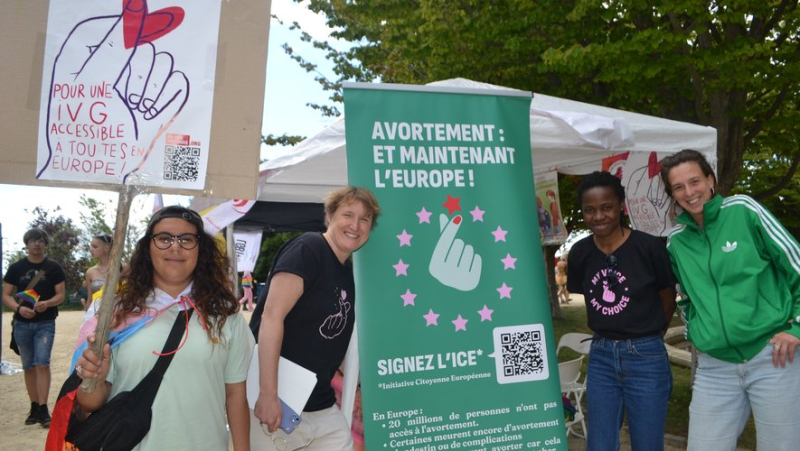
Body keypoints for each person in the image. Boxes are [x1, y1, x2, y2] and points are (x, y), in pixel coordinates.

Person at [72, 206, 254, 450]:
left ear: (202, 250)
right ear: (148, 247)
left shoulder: (225, 315)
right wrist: (96, 376)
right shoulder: (113, 313)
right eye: (164, 238)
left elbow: (236, 395)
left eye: (187, 239)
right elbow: (88, 402)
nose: (175, 247)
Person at [660, 149, 800, 450]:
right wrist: (695, 332)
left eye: (695, 181)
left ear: (711, 180)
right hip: (714, 367)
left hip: (772, 357)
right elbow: (686, 298)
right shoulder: (677, 241)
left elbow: (795, 265)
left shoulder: (744, 211)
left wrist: (797, 328)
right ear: (673, 194)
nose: (689, 192)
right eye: (678, 187)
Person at [252, 186, 380, 450]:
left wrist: (356, 391)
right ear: (330, 216)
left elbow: (333, 341)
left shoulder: (350, 272)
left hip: (319, 402)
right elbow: (270, 317)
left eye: (364, 218)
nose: (355, 225)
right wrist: (268, 393)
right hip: (278, 400)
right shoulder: (309, 248)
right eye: (348, 214)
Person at [566, 171, 677, 451]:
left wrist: (648, 336)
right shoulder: (579, 253)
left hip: (646, 357)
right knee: (600, 444)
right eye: (589, 210)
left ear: (621, 207)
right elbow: (587, 297)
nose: (598, 216)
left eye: (606, 207)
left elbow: (667, 297)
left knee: (647, 443)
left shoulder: (648, 247)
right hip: (602, 355)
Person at [2, 228, 66, 428]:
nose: (36, 244)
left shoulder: (54, 268)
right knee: (28, 366)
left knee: (42, 363)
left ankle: (44, 407)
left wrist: (47, 303)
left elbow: (61, 295)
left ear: (45, 244)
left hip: (45, 322)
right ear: (26, 243)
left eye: (40, 240)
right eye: (32, 240)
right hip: (22, 323)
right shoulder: (16, 267)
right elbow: (5, 295)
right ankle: (34, 407)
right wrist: (18, 308)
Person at [81, 233, 130, 312]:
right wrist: (87, 316)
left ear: (106, 248)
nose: (91, 249)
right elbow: (90, 298)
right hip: (96, 313)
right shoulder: (90, 272)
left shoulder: (124, 268)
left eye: (95, 247)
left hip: (121, 313)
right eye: (91, 246)